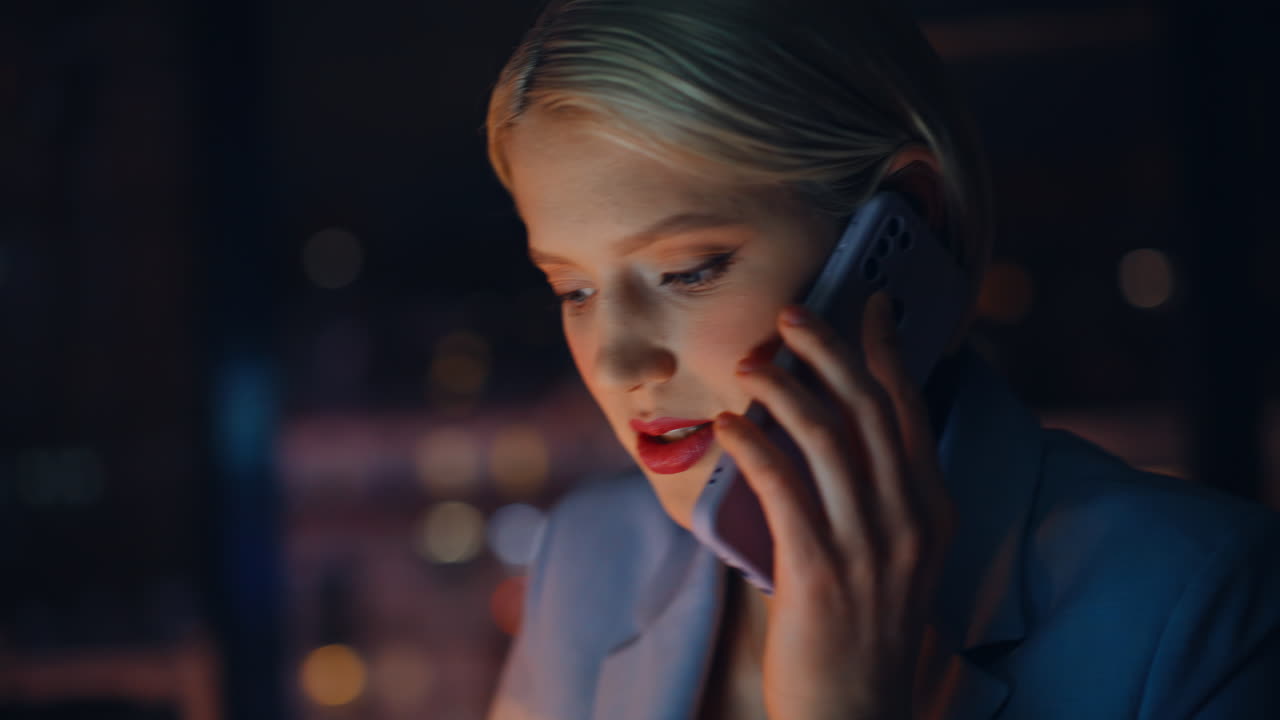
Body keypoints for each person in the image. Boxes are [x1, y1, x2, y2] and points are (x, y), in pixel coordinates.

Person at [480, 1, 1280, 718]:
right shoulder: (588, 558)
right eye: (573, 290)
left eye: (689, 271)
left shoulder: (1202, 603)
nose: (619, 364)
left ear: (901, 228)